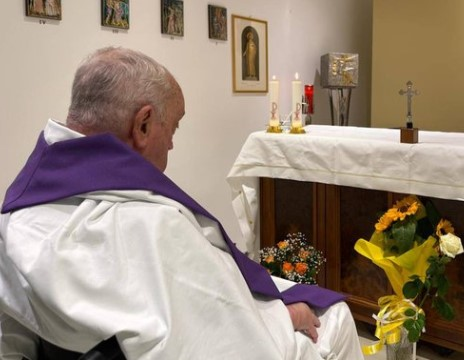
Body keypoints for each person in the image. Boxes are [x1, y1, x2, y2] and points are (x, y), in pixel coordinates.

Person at [0, 46, 364, 359]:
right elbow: (219, 339)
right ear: (142, 125)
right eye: (172, 128)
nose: (172, 144)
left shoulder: (19, 210)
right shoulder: (152, 224)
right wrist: (285, 318)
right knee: (335, 317)